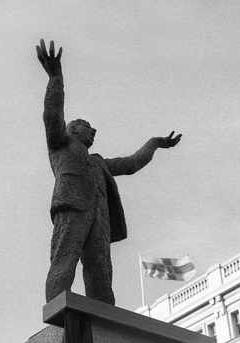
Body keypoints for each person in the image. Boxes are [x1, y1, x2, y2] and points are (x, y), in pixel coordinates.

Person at [36, 38, 182, 305]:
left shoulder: (99, 162)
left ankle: (104, 316)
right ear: (73, 130)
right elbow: (52, 114)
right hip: (72, 208)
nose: (94, 131)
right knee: (64, 257)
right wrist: (56, 77)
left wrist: (154, 143)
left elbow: (132, 163)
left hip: (99, 218)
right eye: (87, 127)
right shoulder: (60, 145)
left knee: (100, 269)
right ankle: (58, 309)